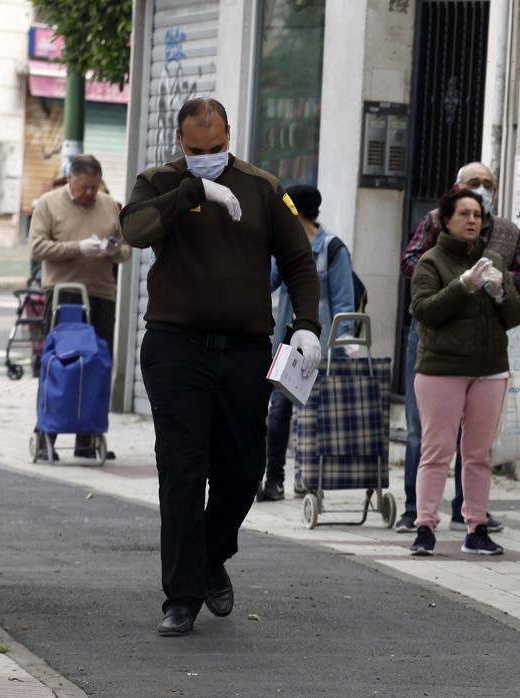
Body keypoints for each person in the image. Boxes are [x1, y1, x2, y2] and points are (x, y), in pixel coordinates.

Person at [120, 98, 322, 637]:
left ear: (229, 135)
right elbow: (134, 231)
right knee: (183, 470)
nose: (207, 157)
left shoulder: (263, 186)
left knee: (242, 470)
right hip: (175, 347)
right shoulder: (157, 180)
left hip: (245, 350)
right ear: (179, 141)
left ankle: (211, 556)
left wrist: (306, 323)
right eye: (195, 151)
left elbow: (299, 260)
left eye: (215, 150)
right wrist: (190, 190)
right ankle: (181, 596)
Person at [396, 161, 520, 534]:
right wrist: (457, 282)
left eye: (488, 184)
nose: (481, 191)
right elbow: (413, 269)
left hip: (486, 355)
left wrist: (501, 284)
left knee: (477, 449)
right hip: (439, 349)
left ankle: (470, 516)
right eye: (473, 185)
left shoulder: (505, 235)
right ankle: (417, 514)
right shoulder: (434, 224)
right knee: (427, 437)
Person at [29, 154, 131, 460]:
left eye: (94, 187)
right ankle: (47, 432)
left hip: (102, 292)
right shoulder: (48, 204)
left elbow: (126, 249)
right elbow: (37, 247)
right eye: (84, 187)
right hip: (63, 295)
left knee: (97, 365)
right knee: (60, 364)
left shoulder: (109, 205)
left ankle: (88, 437)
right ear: (71, 180)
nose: (90, 194)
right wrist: (77, 248)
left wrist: (113, 250)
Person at [258, 184, 356, 502]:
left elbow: (343, 301)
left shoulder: (333, 249)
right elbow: (267, 284)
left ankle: (311, 478)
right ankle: (274, 480)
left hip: (322, 348)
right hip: (289, 346)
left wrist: (344, 342)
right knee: (278, 413)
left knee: (317, 417)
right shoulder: (286, 246)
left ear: (296, 212)